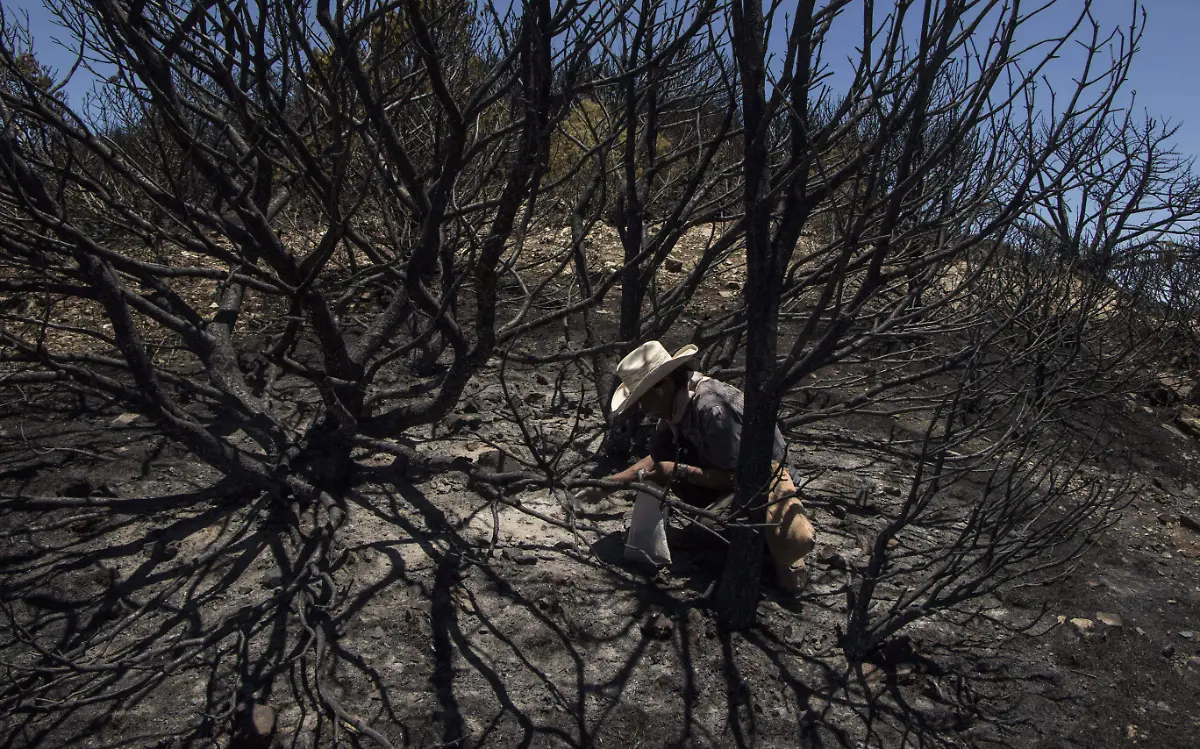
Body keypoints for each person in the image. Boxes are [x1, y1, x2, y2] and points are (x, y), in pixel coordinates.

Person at [575, 341, 816, 591]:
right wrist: (609, 485)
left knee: (709, 527)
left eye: (642, 398)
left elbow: (742, 477)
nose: (641, 408)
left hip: (766, 485)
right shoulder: (676, 405)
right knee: (672, 473)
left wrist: (679, 471)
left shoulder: (713, 410)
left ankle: (771, 553)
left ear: (663, 386)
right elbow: (657, 458)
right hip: (723, 474)